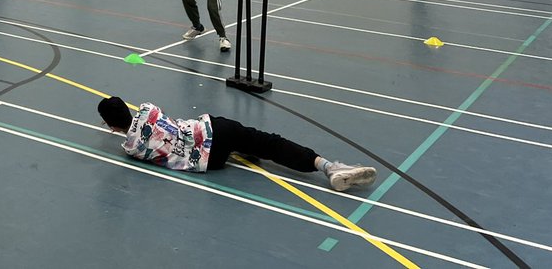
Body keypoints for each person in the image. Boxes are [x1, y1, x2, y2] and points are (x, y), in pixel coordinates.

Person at [97, 96, 377, 192]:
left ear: (111, 125)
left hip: (210, 162)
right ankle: (329, 166)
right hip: (213, 130)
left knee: (252, 149)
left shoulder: (131, 148)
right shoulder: (147, 108)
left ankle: (248, 151)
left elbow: (142, 141)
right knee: (270, 143)